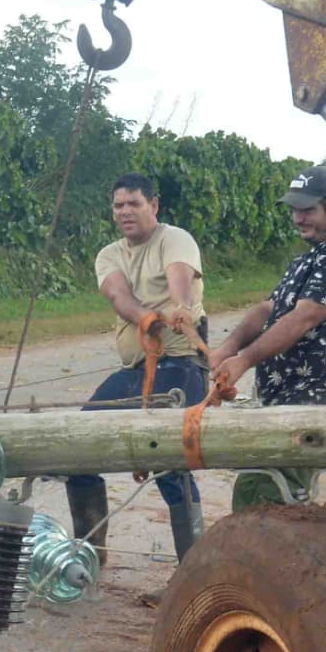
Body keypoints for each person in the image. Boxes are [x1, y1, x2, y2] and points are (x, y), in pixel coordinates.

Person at [206, 166, 326, 509]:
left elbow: (302, 318)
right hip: (284, 398)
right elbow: (269, 309)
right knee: (262, 489)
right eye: (294, 209)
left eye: (307, 210)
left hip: (312, 399)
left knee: (266, 493)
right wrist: (226, 349)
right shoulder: (306, 259)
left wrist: (244, 360)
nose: (298, 218)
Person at [64, 173, 208, 561]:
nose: (125, 211)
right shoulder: (109, 254)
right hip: (135, 369)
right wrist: (147, 319)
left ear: (153, 205)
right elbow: (118, 295)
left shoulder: (175, 239)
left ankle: (192, 568)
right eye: (118, 205)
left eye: (134, 203)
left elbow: (179, 276)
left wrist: (180, 307)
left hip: (182, 365)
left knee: (167, 459)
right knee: (75, 446)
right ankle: (90, 556)